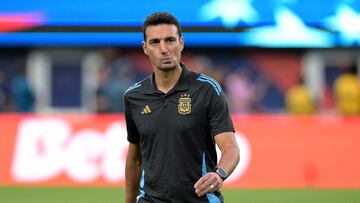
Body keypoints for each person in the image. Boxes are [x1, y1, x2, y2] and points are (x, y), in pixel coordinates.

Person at [124, 12, 239, 203]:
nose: (163, 49)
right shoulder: (133, 96)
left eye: (170, 40)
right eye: (155, 42)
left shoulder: (207, 89)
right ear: (145, 48)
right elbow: (135, 159)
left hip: (199, 199)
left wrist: (219, 174)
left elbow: (230, 147)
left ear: (181, 43)